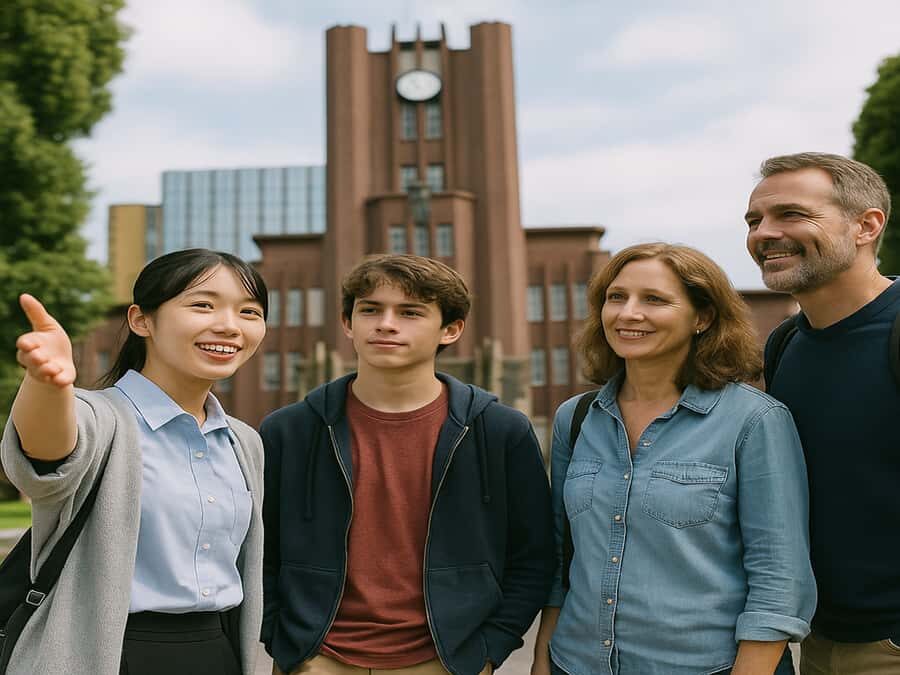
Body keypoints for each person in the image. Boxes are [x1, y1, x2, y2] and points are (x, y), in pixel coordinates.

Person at [261, 254, 554, 675]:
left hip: (445, 662)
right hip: (316, 660)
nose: (386, 324)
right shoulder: (289, 430)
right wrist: (285, 642)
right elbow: (259, 549)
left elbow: (534, 556)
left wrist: (489, 651)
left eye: (410, 312)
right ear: (348, 323)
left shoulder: (500, 430)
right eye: (370, 310)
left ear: (451, 329)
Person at [531, 243, 816, 675]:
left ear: (702, 317)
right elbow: (561, 560)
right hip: (576, 663)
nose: (628, 313)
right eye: (616, 297)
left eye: (654, 299)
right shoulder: (576, 418)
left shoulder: (754, 420)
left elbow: (779, 576)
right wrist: (542, 659)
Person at [1, 249, 268, 675]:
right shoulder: (97, 418)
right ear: (141, 320)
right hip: (104, 655)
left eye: (249, 312)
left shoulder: (243, 441)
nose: (229, 326)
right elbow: (45, 455)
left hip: (216, 652)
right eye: (203, 305)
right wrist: (46, 385)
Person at [745, 152, 898, 674]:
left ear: (866, 226)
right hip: (818, 641)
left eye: (791, 214)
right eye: (754, 220)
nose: (764, 233)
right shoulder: (784, 344)